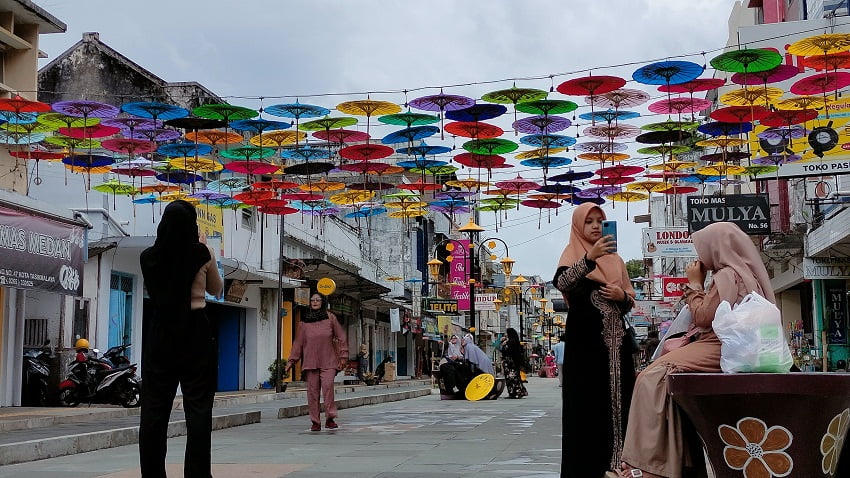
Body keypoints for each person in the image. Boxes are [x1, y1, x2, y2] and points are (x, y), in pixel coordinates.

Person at [619, 222, 776, 478]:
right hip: (737, 344)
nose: (699, 256)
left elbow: (704, 317)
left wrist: (694, 285)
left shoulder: (726, 275)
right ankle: (672, 462)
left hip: (720, 344)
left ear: (716, 248)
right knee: (661, 378)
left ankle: (649, 464)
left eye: (702, 248)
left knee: (651, 377)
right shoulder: (747, 272)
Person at [138, 199, 223, 478]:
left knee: (154, 409)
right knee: (198, 408)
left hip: (161, 333)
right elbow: (216, 289)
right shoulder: (202, 253)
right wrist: (206, 249)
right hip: (195, 331)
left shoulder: (148, 257)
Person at [552, 202, 636, 478]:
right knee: (586, 405)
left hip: (617, 346)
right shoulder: (572, 255)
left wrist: (622, 296)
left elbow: (629, 300)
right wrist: (590, 258)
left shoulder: (616, 260)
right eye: (589, 222)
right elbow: (563, 283)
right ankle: (588, 469)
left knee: (622, 402)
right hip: (585, 346)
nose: (596, 226)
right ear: (578, 226)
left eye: (600, 221)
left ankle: (621, 464)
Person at [285, 293, 348, 431]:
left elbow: (341, 337)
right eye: (312, 300)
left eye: (317, 300)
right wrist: (291, 361)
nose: (314, 302)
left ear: (322, 302)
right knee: (312, 392)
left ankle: (330, 418)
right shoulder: (304, 322)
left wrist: (343, 356)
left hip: (329, 361)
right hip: (310, 361)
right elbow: (298, 343)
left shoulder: (330, 318)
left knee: (328, 387)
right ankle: (315, 421)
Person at [499, 328, 528, 398]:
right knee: (516, 378)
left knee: (510, 379)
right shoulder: (516, 342)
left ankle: (513, 393)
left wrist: (502, 343)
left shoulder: (509, 343)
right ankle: (518, 392)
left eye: (507, 333)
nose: (506, 334)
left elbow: (504, 351)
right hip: (514, 363)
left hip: (509, 364)